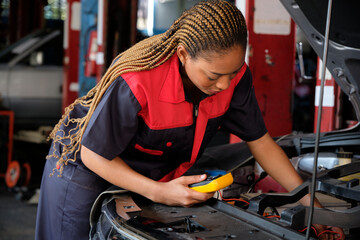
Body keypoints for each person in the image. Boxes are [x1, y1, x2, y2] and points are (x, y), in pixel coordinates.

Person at [35, 1, 344, 239]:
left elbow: (262, 143)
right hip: (85, 167)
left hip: (149, 169)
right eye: (214, 76)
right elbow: (94, 152)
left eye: (233, 72)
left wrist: (312, 206)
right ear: (183, 55)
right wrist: (159, 192)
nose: (224, 85)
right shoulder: (138, 81)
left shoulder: (234, 78)